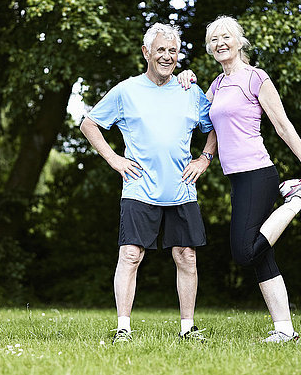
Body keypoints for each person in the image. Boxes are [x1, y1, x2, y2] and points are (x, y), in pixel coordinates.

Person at [177, 15, 301, 343]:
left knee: (244, 252)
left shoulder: (255, 78)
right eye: (213, 40)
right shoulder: (217, 85)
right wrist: (186, 79)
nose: (220, 43)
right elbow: (206, 122)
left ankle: (298, 197)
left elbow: (282, 124)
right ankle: (285, 330)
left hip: (258, 173)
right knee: (262, 253)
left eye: (226, 37)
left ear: (239, 41)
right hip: (237, 177)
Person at [80, 23, 217, 344]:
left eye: (173, 51)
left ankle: (188, 329)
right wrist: (114, 159)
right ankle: (123, 329)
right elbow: (89, 123)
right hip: (139, 189)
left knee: (186, 256)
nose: (167, 56)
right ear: (146, 53)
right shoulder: (126, 90)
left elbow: (215, 126)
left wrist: (205, 159)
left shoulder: (190, 91)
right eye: (161, 51)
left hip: (182, 189)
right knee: (130, 255)